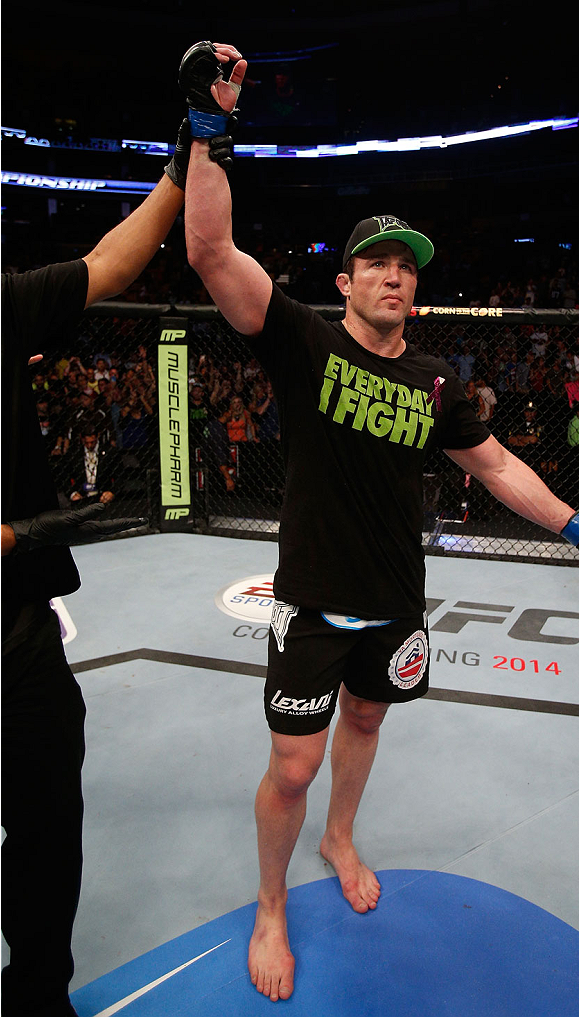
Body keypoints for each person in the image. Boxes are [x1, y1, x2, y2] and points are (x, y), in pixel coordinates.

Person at [181, 40, 579, 1004]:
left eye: (406, 266)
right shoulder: (302, 342)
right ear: (344, 281)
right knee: (291, 767)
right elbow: (212, 252)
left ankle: (344, 838)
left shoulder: (433, 381)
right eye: (376, 263)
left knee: (370, 719)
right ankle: (271, 902)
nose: (394, 276)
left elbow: (499, 463)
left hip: (395, 598)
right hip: (310, 599)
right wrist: (210, 133)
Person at [1, 117, 193, 1016]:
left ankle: (39, 995)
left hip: (17, 638)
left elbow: (111, 263)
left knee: (48, 828)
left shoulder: (1, 302)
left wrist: (188, 161)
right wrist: (19, 534)